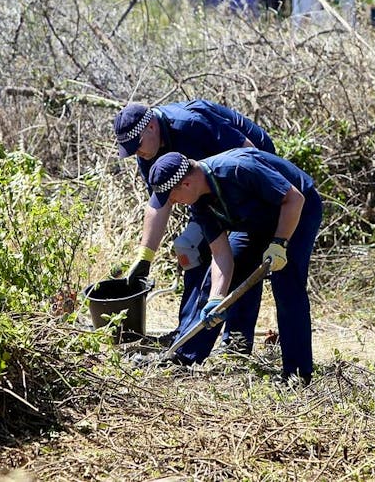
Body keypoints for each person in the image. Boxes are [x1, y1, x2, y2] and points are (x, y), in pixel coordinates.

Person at [147, 148, 323, 383]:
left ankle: (297, 374)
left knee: (286, 285)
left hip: (296, 211)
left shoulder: (238, 169)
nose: (173, 203)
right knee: (214, 285)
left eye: (172, 197)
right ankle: (185, 357)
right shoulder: (199, 203)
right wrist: (216, 299)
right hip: (255, 223)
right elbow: (221, 254)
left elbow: (294, 199)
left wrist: (279, 243)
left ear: (186, 184)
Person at [114, 100, 275, 351]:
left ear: (152, 127)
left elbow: (249, 152)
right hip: (204, 190)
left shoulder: (190, 125)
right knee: (189, 248)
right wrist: (145, 257)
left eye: (137, 145)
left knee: (240, 253)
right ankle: (186, 332)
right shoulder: (147, 151)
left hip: (250, 175)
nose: (137, 153)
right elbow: (160, 202)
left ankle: (237, 341)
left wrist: (237, 214)